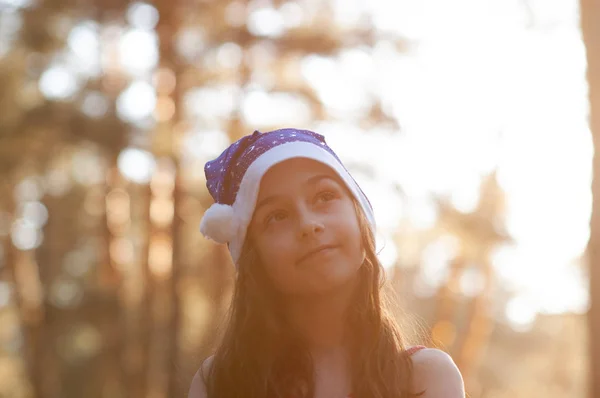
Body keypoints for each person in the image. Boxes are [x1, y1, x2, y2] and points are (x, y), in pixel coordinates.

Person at [189, 128, 465, 398]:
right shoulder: (219, 382)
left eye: (325, 197)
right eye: (277, 216)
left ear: (361, 218)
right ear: (252, 255)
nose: (308, 225)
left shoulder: (427, 378)